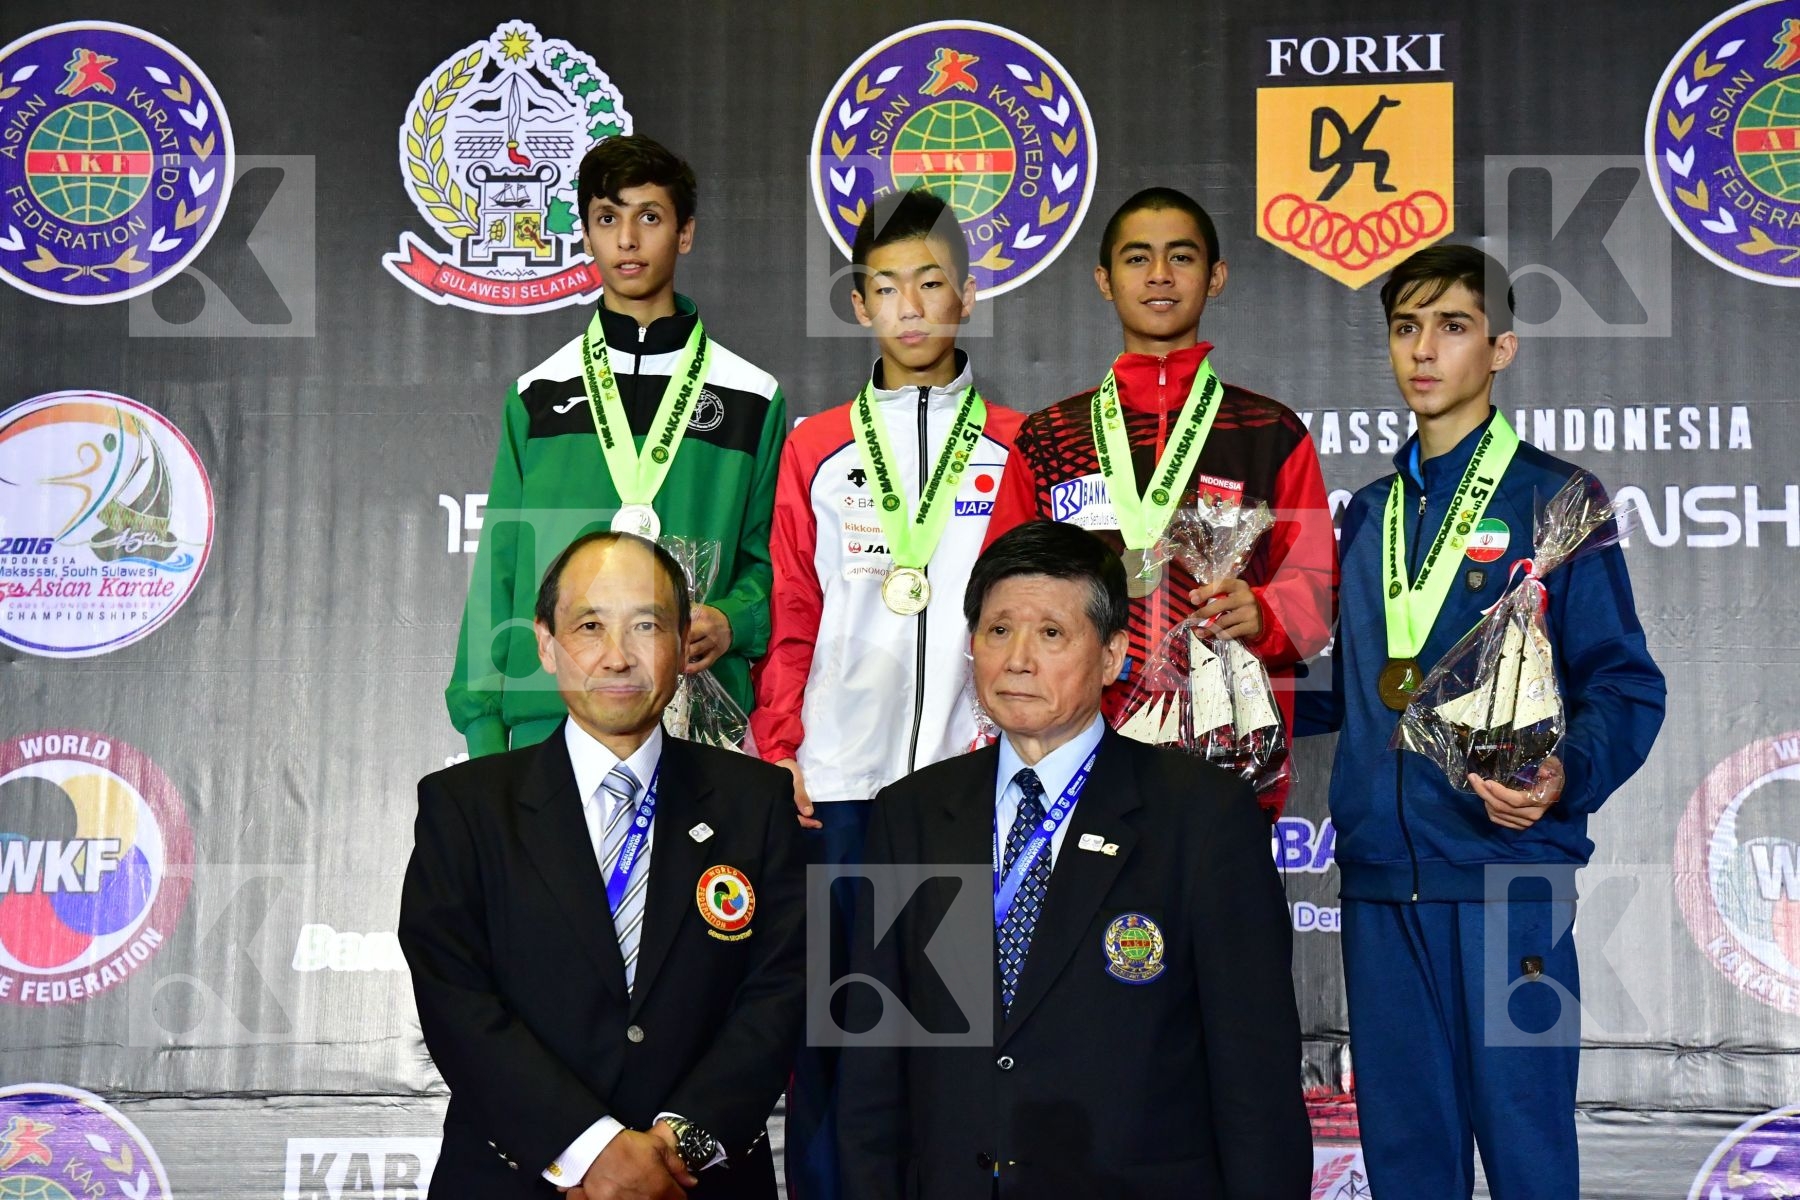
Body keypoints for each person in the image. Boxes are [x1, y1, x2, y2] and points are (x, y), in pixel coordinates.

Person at [1302, 244, 1665, 1199]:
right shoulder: (1369, 512)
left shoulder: (1557, 499)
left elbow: (1625, 684)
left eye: (1453, 327)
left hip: (1509, 888)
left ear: (1499, 348)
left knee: (1526, 1150)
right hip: (1383, 886)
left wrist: (1561, 776)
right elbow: (1361, 690)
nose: (1424, 350)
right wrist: (1208, 694)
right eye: (1406, 327)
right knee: (1407, 1155)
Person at [837, 520, 1312, 1199]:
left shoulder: (1203, 816)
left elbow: (1255, 1073)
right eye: (998, 630)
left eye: (1051, 633)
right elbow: (868, 1065)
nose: (1018, 658)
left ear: (1114, 654)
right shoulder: (907, 814)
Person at [750, 188, 1024, 1198]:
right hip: (840, 792)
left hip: (962, 791)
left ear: (967, 293)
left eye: (931, 284)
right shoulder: (816, 446)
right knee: (839, 1043)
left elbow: (1020, 624)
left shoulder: (1010, 447)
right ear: (859, 303)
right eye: (885, 288)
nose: (910, 307)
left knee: (949, 1043)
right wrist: (785, 746)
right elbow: (790, 609)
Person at [402, 532, 805, 1199]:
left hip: (698, 1183)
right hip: (516, 1178)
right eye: (589, 625)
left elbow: (782, 993)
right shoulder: (466, 807)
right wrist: (591, 1150)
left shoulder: (755, 802)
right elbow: (455, 999)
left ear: (682, 645)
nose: (617, 657)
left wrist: (677, 1149)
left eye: (646, 625)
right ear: (545, 643)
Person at [983, 187, 1335, 818]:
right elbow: (1003, 587)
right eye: (1137, 258)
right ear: (1103, 279)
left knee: (1218, 916)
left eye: (1182, 257)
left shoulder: (1267, 431)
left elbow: (1315, 584)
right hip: (1074, 751)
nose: (1160, 276)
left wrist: (1265, 612)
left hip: (1227, 754)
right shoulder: (1051, 436)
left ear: (1217, 276)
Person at [446, 135, 787, 757]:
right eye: (608, 219)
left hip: (694, 717)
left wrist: (735, 618)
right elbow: (501, 570)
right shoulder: (538, 395)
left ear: (685, 234)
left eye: (648, 218)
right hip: (548, 724)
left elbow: (775, 561)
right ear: (586, 236)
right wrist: (485, 728)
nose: (627, 240)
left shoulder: (751, 397)